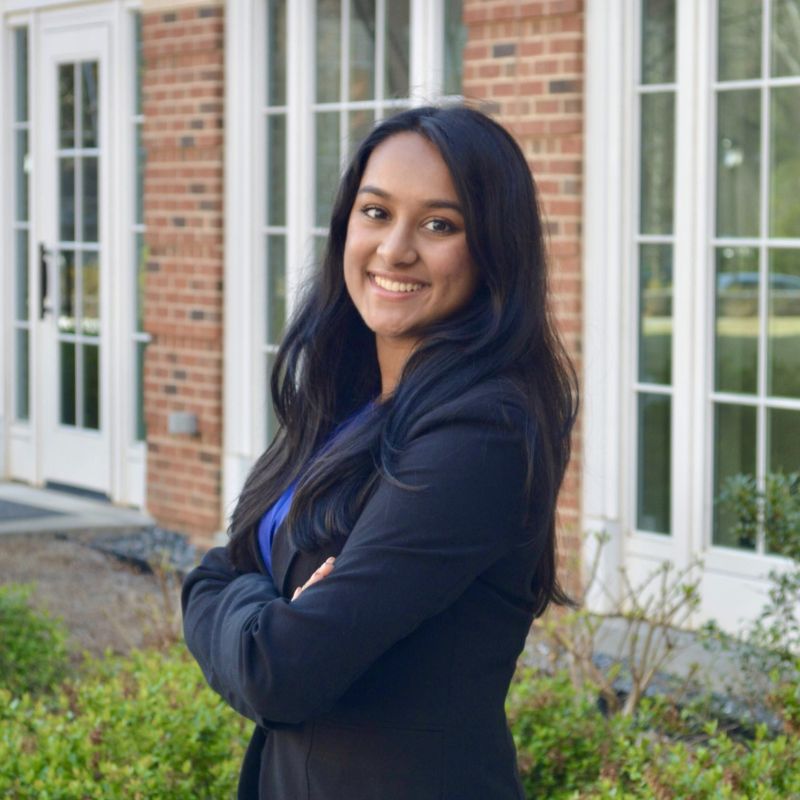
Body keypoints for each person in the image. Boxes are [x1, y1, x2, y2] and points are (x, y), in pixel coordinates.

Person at [182, 105, 578, 800]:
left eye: (439, 225)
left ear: (493, 251)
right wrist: (254, 600)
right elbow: (228, 566)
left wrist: (242, 606)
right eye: (375, 212)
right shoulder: (352, 401)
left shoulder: (482, 434)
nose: (395, 249)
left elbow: (280, 669)